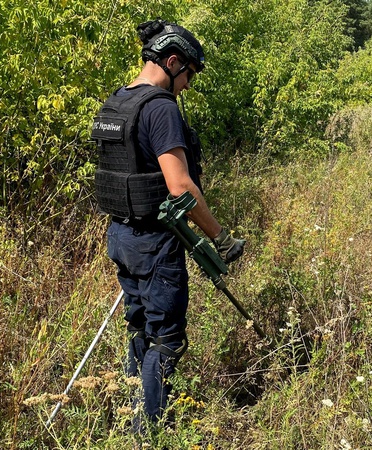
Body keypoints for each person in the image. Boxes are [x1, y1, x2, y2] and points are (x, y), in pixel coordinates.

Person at [90, 19, 245, 429]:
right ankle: (147, 431)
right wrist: (221, 237)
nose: (189, 85)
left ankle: (127, 416)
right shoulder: (160, 108)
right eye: (189, 74)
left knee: (139, 325)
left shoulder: (118, 101)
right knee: (166, 339)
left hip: (120, 236)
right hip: (154, 243)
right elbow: (180, 187)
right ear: (173, 62)